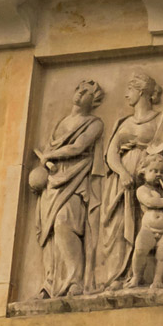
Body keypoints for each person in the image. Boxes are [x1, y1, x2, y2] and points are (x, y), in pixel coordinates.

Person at [93, 71, 163, 291]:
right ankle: (119, 273)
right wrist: (122, 173)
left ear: (142, 91)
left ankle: (142, 275)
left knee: (141, 220)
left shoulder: (159, 119)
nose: (126, 95)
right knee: (118, 223)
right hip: (122, 178)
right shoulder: (124, 122)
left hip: (149, 174)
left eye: (130, 90)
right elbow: (111, 153)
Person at [25, 79, 107, 297]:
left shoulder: (94, 123)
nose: (80, 94)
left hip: (76, 180)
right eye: (79, 89)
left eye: (87, 92)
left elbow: (79, 147)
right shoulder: (61, 123)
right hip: (52, 183)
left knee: (64, 224)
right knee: (49, 232)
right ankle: (49, 283)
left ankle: (73, 281)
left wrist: (50, 155)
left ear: (94, 100)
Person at [127, 149, 163, 287]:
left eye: (162, 172)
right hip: (148, 229)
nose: (159, 174)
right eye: (154, 171)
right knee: (139, 251)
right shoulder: (142, 190)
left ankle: (158, 280)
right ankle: (136, 276)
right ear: (144, 172)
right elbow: (150, 202)